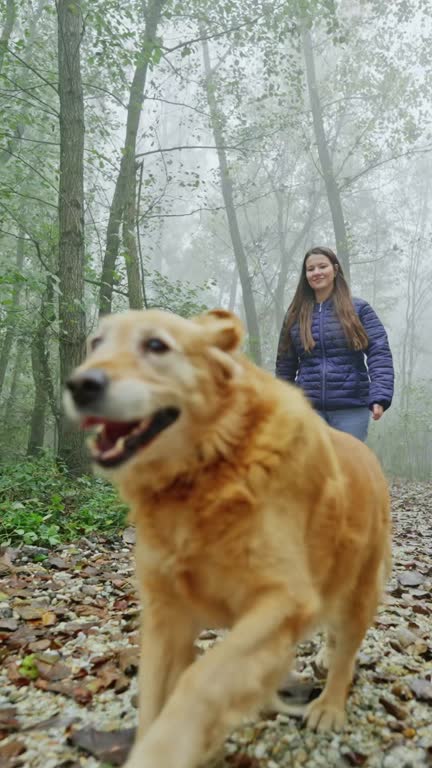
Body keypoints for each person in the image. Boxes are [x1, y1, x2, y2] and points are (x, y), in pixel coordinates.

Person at [275, 246, 394, 442]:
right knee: (313, 470)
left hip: (351, 408)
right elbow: (285, 364)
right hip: (308, 409)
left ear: (335, 269)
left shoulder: (359, 309)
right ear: (305, 275)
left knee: (346, 469)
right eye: (310, 269)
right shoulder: (295, 315)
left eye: (322, 266)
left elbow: (379, 352)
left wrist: (380, 396)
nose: (317, 272)